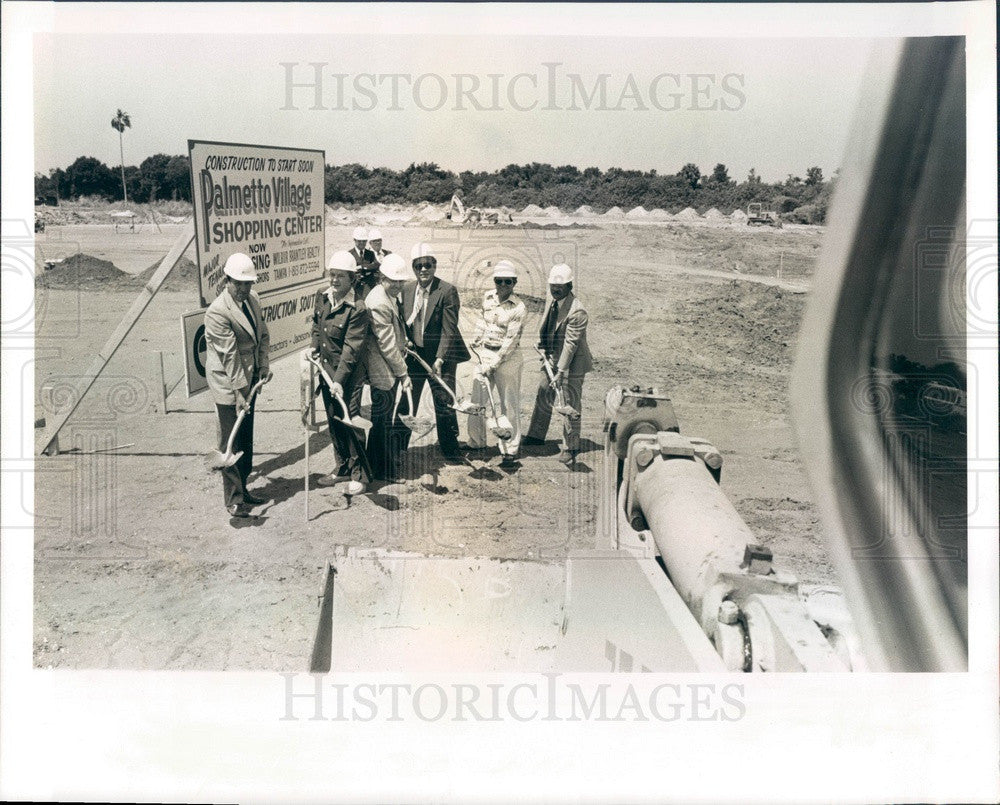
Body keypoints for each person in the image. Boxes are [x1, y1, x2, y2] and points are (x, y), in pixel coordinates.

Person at [204, 252, 272, 518]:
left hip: (250, 376)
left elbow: (263, 334)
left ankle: (244, 489)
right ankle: (233, 500)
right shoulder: (218, 312)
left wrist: (263, 365)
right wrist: (239, 392)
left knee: (245, 437)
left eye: (248, 283)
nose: (244, 289)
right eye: (238, 283)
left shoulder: (253, 300)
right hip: (228, 383)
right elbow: (229, 356)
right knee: (230, 441)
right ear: (226, 281)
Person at [399, 242, 471, 462]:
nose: (423, 270)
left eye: (428, 265)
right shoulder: (407, 289)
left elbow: (449, 330)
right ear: (413, 268)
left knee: (444, 400)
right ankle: (399, 448)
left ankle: (450, 449)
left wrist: (439, 359)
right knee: (407, 398)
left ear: (435, 266)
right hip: (416, 356)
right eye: (419, 265)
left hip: (443, 355)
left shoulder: (447, 291)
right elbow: (403, 321)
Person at [310, 249, 371, 494]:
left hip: (349, 376)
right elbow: (316, 324)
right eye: (331, 275)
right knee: (335, 422)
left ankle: (361, 475)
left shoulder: (357, 308)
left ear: (352, 279)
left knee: (350, 421)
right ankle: (342, 467)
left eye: (340, 277)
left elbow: (351, 349)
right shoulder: (323, 296)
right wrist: (314, 349)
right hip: (326, 372)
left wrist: (339, 381)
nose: (334, 281)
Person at [524, 263, 593, 464]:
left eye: (560, 286)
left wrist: (561, 371)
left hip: (572, 363)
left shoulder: (578, 312)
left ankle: (571, 447)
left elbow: (571, 344)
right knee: (544, 391)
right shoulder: (552, 299)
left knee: (569, 402)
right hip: (552, 356)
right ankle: (536, 436)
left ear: (570, 286)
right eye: (553, 285)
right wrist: (542, 343)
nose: (555, 289)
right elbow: (548, 323)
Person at [468, 260, 526, 465]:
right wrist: (476, 337)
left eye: (507, 282)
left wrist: (492, 365)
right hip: (486, 353)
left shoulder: (519, 308)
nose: (502, 285)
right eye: (499, 281)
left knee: (508, 404)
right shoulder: (488, 297)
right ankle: (476, 443)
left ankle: (509, 449)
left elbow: (510, 342)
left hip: (507, 360)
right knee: (477, 401)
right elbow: (483, 321)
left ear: (514, 283)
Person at [362, 252, 412, 482]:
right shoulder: (379, 302)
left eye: (401, 281)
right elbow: (388, 345)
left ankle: (375, 466)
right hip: (382, 369)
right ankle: (381, 471)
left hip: (387, 366)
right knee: (382, 420)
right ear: (382, 278)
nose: (398, 285)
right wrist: (403, 374)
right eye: (394, 281)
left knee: (383, 420)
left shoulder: (388, 295)